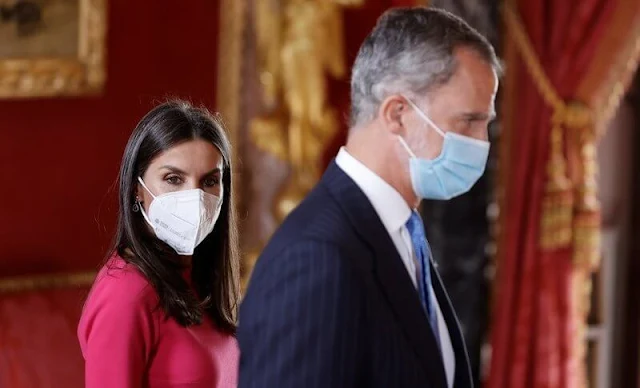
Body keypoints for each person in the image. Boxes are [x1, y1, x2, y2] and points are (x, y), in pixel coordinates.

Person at [238, 7, 501, 388]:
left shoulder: (401, 233)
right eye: (468, 122)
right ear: (397, 114)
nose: (483, 143)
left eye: (486, 123)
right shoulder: (317, 257)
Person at [78, 101, 240, 388]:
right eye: (173, 179)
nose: (195, 198)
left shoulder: (202, 279)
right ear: (137, 189)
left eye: (209, 181)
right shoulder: (126, 294)